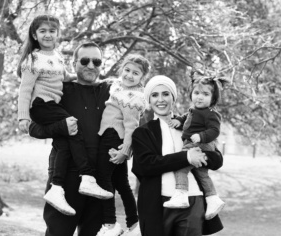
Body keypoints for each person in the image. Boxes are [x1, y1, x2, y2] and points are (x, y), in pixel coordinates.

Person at [17, 16, 113, 217]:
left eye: (96, 61)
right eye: (85, 60)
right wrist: (23, 117)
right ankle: (71, 182)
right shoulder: (33, 60)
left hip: (101, 177)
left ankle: (71, 184)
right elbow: (25, 91)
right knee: (72, 126)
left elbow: (63, 75)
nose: (90, 65)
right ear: (35, 35)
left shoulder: (108, 91)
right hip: (43, 106)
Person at [131, 75, 224, 236]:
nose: (161, 100)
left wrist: (202, 157)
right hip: (158, 203)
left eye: (165, 94)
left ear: (173, 97)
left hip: (193, 200)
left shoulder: (189, 124)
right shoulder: (143, 132)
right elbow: (145, 166)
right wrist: (186, 158)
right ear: (149, 100)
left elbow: (217, 160)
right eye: (155, 95)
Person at [96, 54, 151, 236]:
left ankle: (110, 224)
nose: (129, 75)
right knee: (121, 183)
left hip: (115, 138)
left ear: (141, 78)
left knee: (103, 178)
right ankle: (134, 223)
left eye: (135, 73)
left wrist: (125, 151)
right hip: (110, 135)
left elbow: (131, 127)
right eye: (127, 70)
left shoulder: (132, 98)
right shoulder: (118, 87)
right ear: (121, 69)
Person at [163, 72, 228, 220]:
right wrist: (179, 121)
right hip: (194, 143)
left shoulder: (211, 114)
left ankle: (181, 194)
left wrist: (201, 136)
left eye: (205, 94)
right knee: (202, 174)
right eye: (196, 92)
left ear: (213, 98)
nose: (199, 96)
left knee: (180, 166)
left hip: (199, 145)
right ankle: (213, 199)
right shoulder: (194, 110)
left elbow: (214, 130)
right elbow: (187, 118)